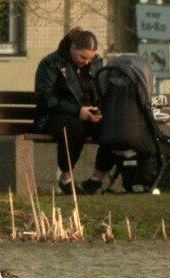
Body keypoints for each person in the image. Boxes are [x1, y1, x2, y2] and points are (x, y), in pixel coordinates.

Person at [33, 28, 115, 195]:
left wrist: (97, 110)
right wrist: (78, 111)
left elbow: (102, 91)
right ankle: (66, 177)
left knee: (113, 130)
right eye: (82, 57)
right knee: (74, 129)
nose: (86, 62)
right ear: (72, 48)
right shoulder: (51, 63)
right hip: (55, 116)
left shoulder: (96, 63)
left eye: (90, 58)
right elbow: (45, 99)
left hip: (88, 114)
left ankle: (96, 178)